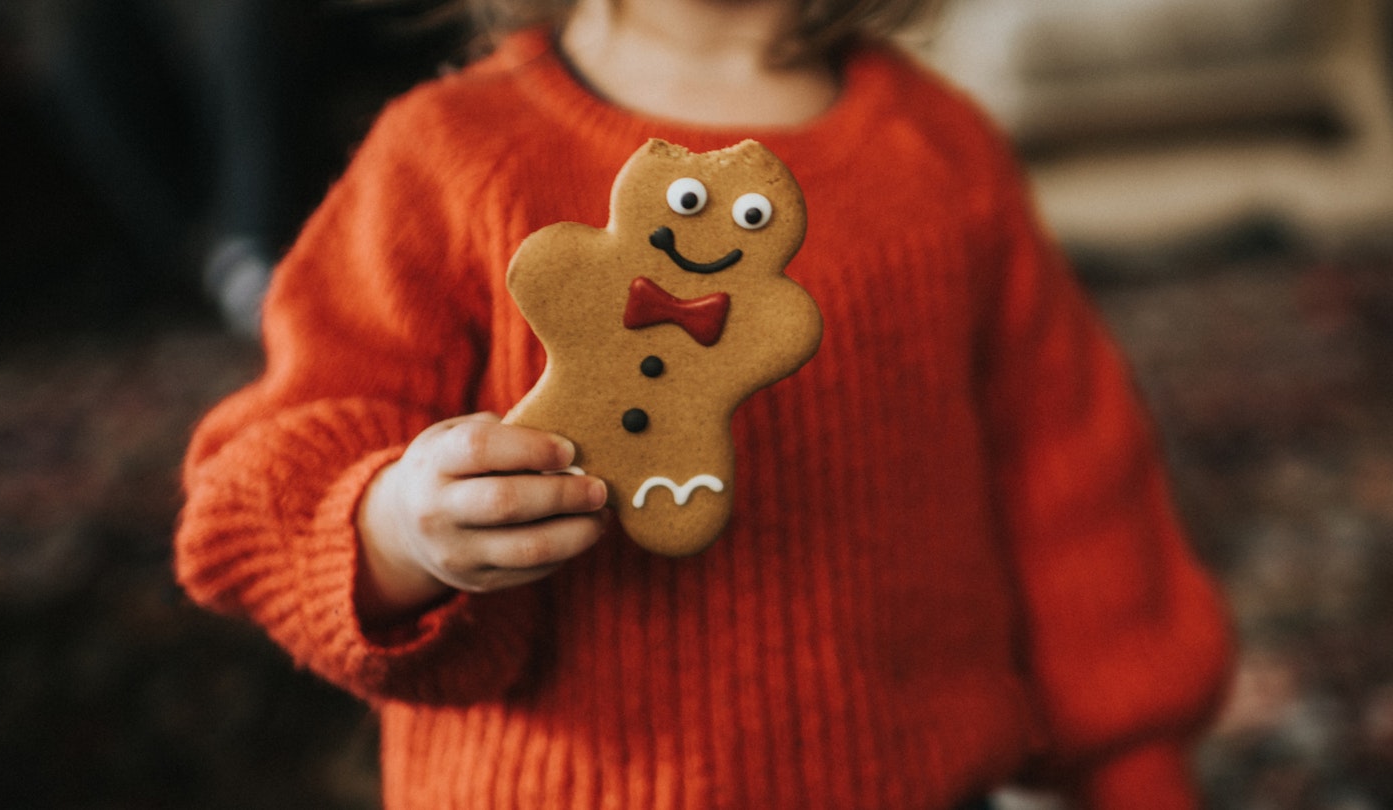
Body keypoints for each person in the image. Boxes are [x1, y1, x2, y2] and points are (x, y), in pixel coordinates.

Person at [175, 0, 1233, 807]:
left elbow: (1076, 492)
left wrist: (1133, 768)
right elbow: (253, 489)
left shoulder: (943, 154)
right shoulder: (449, 154)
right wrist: (401, 530)